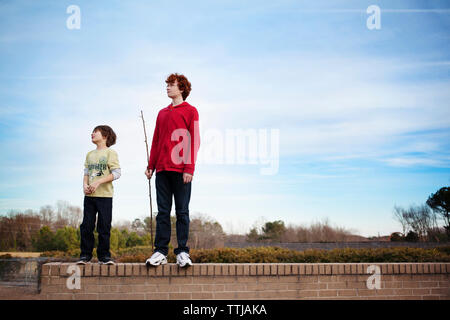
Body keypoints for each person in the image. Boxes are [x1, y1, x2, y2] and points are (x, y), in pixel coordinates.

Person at [145, 73, 200, 268]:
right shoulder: (162, 113)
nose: (167, 88)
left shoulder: (191, 111)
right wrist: (151, 165)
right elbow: (156, 141)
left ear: (182, 88)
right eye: (167, 85)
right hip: (162, 170)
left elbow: (194, 140)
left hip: (182, 171)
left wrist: (189, 168)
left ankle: (183, 252)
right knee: (162, 213)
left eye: (171, 85)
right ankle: (160, 251)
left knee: (182, 212)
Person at [77, 125, 121, 265]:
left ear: (105, 136)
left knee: (104, 226)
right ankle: (85, 256)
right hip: (89, 197)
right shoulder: (89, 154)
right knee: (86, 226)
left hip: (105, 197)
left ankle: (104, 257)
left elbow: (117, 173)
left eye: (96, 131)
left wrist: (98, 182)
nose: (92, 133)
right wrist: (85, 185)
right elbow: (86, 173)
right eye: (92, 132)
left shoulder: (110, 153)